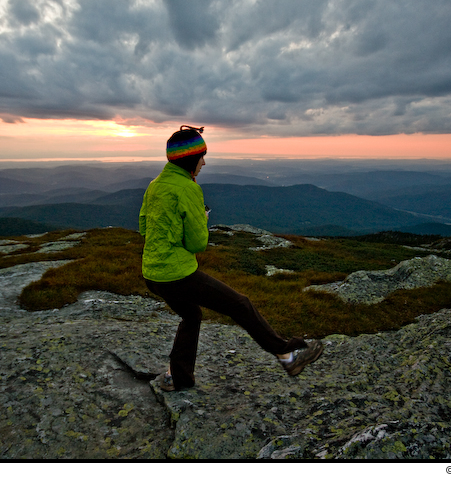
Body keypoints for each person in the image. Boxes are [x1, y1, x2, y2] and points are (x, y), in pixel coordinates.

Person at [138, 125, 324, 392]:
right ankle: (288, 355)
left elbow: (144, 228)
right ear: (190, 159)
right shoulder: (188, 189)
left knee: (191, 316)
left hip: (152, 275)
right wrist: (201, 220)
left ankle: (178, 377)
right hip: (176, 274)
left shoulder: (154, 186)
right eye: (201, 156)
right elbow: (197, 243)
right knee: (240, 304)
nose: (204, 161)